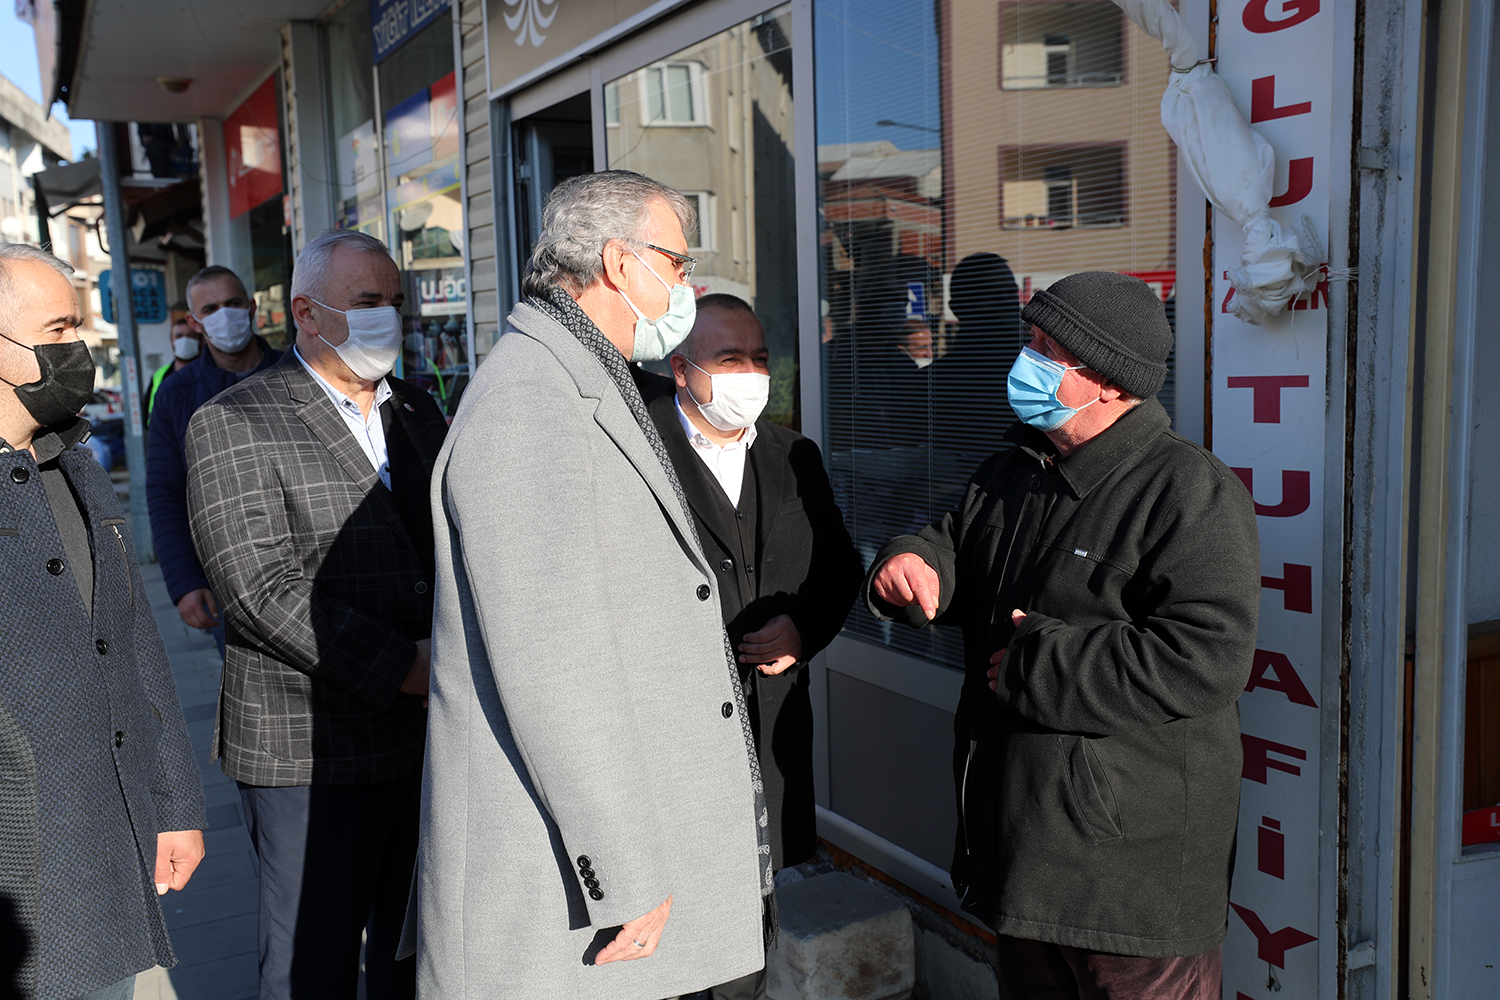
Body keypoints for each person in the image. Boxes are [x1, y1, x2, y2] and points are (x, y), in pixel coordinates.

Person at [416, 171, 769, 1000]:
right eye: (678, 265)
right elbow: (551, 661)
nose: (687, 287)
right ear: (619, 262)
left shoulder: (580, 373)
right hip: (560, 874)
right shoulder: (532, 400)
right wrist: (622, 869)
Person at [866, 271, 1260, 1000]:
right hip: (1027, 858)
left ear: (1108, 379)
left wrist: (1035, 662)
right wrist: (911, 564)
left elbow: (1206, 658)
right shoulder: (1015, 467)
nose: (1027, 360)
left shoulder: (1189, 492)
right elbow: (953, 543)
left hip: (1130, 887)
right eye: (1031, 340)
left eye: (1048, 349)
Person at [184, 230, 448, 1000]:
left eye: (394, 303)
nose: (388, 320)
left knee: (412, 952)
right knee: (312, 964)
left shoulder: (420, 409)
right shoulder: (236, 420)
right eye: (368, 304)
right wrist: (406, 667)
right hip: (309, 752)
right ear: (306, 312)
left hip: (424, 739)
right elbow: (260, 590)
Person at [634, 293, 864, 1000]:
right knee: (674, 936)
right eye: (730, 358)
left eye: (760, 358)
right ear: (681, 368)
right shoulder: (640, 454)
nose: (750, 373)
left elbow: (838, 567)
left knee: (753, 924)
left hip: (772, 732)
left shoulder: (792, 453)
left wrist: (803, 626)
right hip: (673, 742)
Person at [0, 243, 206, 999]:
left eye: (78, 326)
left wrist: (177, 804)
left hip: (117, 858)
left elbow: (133, 643)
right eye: (58, 330)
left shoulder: (75, 460)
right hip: (28, 877)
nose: (77, 350)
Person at [146, 266, 281, 654]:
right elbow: (165, 490)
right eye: (211, 308)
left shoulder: (294, 373)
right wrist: (184, 581)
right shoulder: (176, 395)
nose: (225, 314)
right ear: (194, 321)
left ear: (252, 308)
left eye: (234, 303)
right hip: (227, 580)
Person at [145, 312, 201, 420]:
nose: (184, 340)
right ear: (172, 342)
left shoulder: (214, 371)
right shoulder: (160, 375)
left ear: (199, 340)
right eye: (179, 336)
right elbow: (149, 417)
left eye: (190, 336)